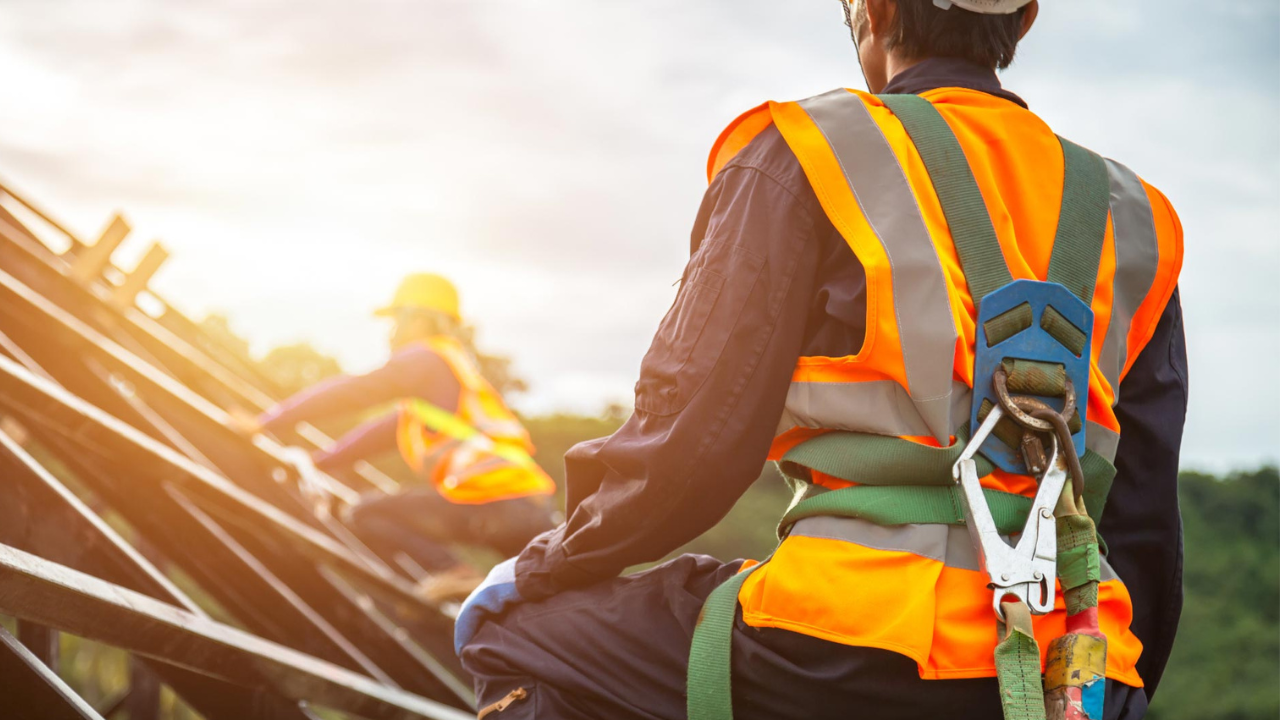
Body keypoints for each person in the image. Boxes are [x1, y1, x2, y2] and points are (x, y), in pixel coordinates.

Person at [453, 1, 1187, 719]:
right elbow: (1144, 518)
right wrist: (1109, 685)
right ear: (1024, 19)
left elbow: (690, 449)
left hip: (845, 643)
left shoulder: (807, 150)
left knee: (515, 638)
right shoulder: (1138, 217)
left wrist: (545, 564)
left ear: (876, 10)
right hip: (1077, 672)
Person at [247, 273, 557, 595]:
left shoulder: (425, 358)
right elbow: (371, 437)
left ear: (417, 319)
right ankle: (468, 583)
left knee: (366, 513)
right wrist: (317, 463)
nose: (391, 331)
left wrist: (267, 422)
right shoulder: (443, 387)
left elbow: (353, 391)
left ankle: (454, 572)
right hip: (531, 508)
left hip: (492, 503)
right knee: (536, 601)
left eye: (396, 319)